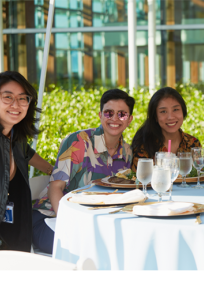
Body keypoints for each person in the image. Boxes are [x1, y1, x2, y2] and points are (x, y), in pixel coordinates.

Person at [32, 89, 135, 254]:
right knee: (97, 248)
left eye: (121, 114)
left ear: (129, 119)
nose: (115, 119)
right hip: (52, 218)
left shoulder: (127, 152)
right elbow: (55, 187)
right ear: (100, 115)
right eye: (109, 113)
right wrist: (68, 225)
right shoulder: (78, 142)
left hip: (95, 223)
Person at [0, 71, 53, 252]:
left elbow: (27, 153)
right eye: (7, 97)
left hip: (15, 232)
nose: (16, 104)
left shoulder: (16, 137)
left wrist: (52, 170)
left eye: (23, 98)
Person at [131, 87, 201, 171]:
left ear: (183, 111)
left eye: (175, 109)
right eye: (163, 111)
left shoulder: (193, 144)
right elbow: (139, 179)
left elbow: (199, 175)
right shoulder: (144, 144)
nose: (170, 117)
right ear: (155, 117)